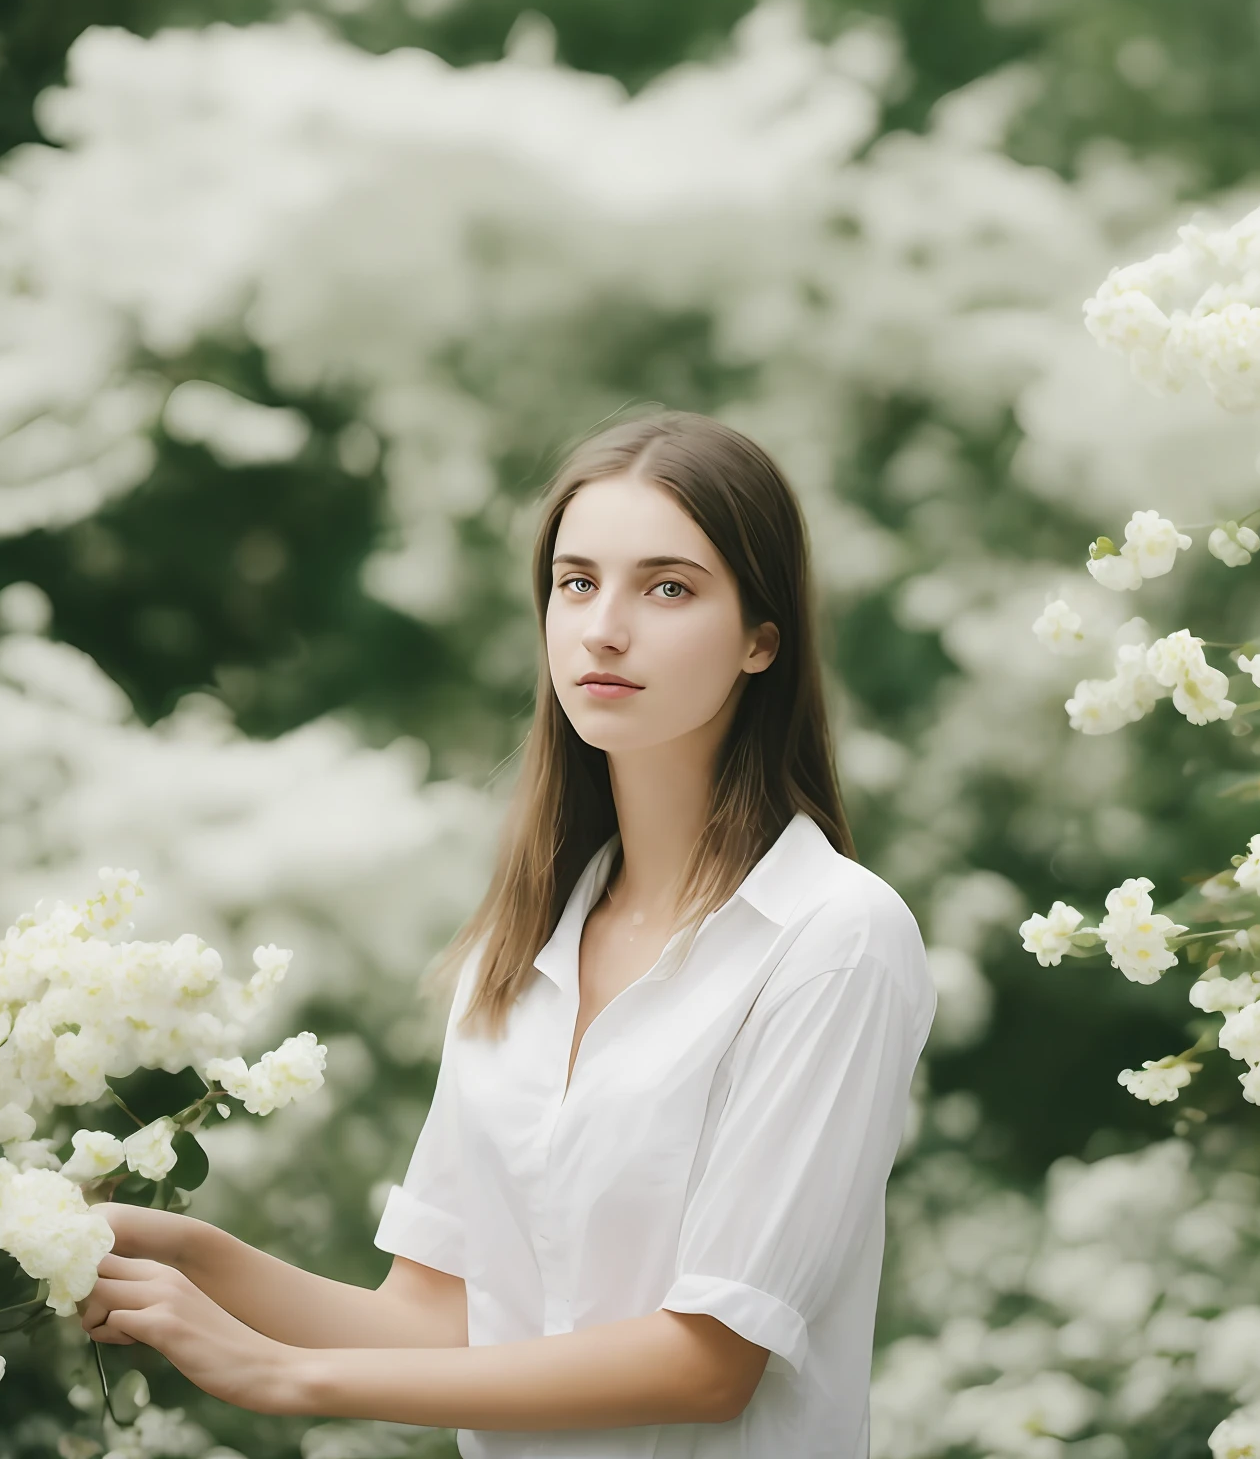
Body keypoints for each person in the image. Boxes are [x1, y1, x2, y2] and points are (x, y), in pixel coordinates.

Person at [80, 409, 937, 1456]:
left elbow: (709, 1359)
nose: (603, 626)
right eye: (576, 582)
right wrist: (183, 1250)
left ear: (762, 637)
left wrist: (280, 1373)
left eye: (667, 586)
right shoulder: (517, 951)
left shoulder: (832, 938)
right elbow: (436, 1322)